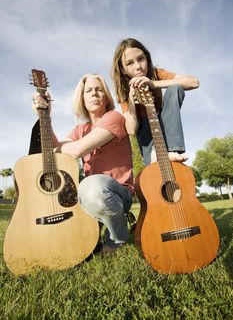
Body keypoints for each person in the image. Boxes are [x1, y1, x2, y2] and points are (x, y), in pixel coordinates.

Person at [32, 73, 134, 254]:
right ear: (82, 98)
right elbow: (58, 150)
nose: (94, 94)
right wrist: (45, 115)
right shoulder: (80, 129)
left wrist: (56, 151)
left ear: (106, 97)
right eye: (89, 91)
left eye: (99, 89)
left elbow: (77, 150)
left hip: (117, 193)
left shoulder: (114, 117)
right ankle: (96, 227)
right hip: (89, 196)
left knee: (91, 186)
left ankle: (116, 239)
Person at [111, 38, 199, 166]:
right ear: (123, 69)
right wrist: (131, 100)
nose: (138, 67)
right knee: (155, 170)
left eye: (141, 59)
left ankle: (174, 150)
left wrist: (154, 83)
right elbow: (131, 130)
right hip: (145, 130)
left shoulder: (156, 73)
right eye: (130, 63)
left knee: (175, 88)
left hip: (165, 121)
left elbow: (193, 82)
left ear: (147, 58)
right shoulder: (124, 91)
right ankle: (154, 153)